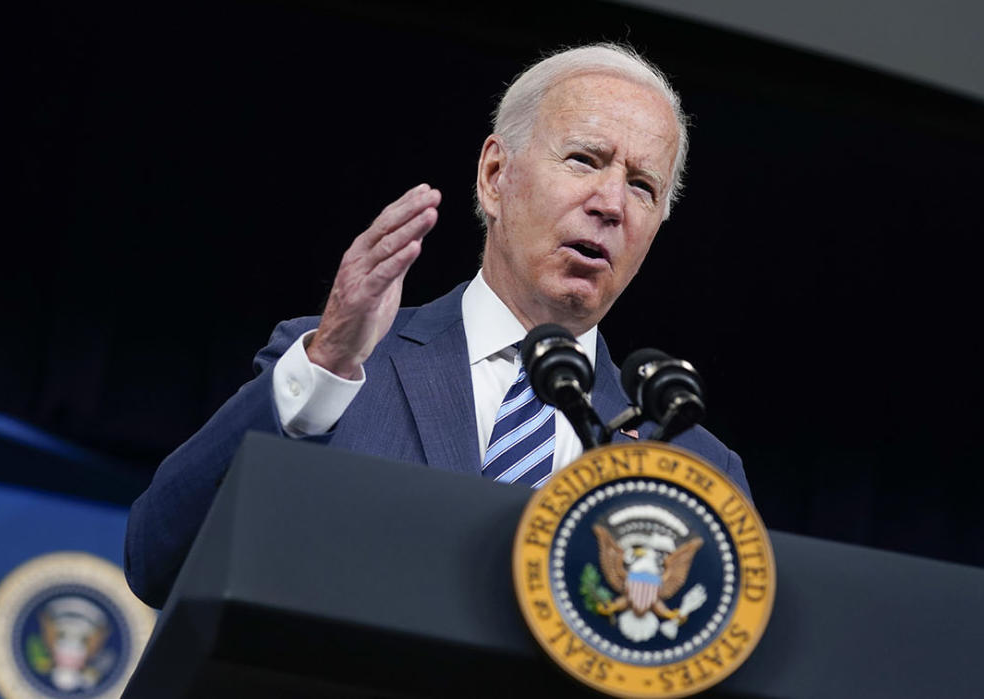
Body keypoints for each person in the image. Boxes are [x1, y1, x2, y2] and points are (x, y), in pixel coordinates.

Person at [124, 43, 749, 608]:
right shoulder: (336, 367)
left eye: (642, 186)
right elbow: (161, 561)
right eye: (585, 159)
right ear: (495, 176)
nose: (610, 204)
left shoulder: (693, 466)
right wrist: (326, 367)